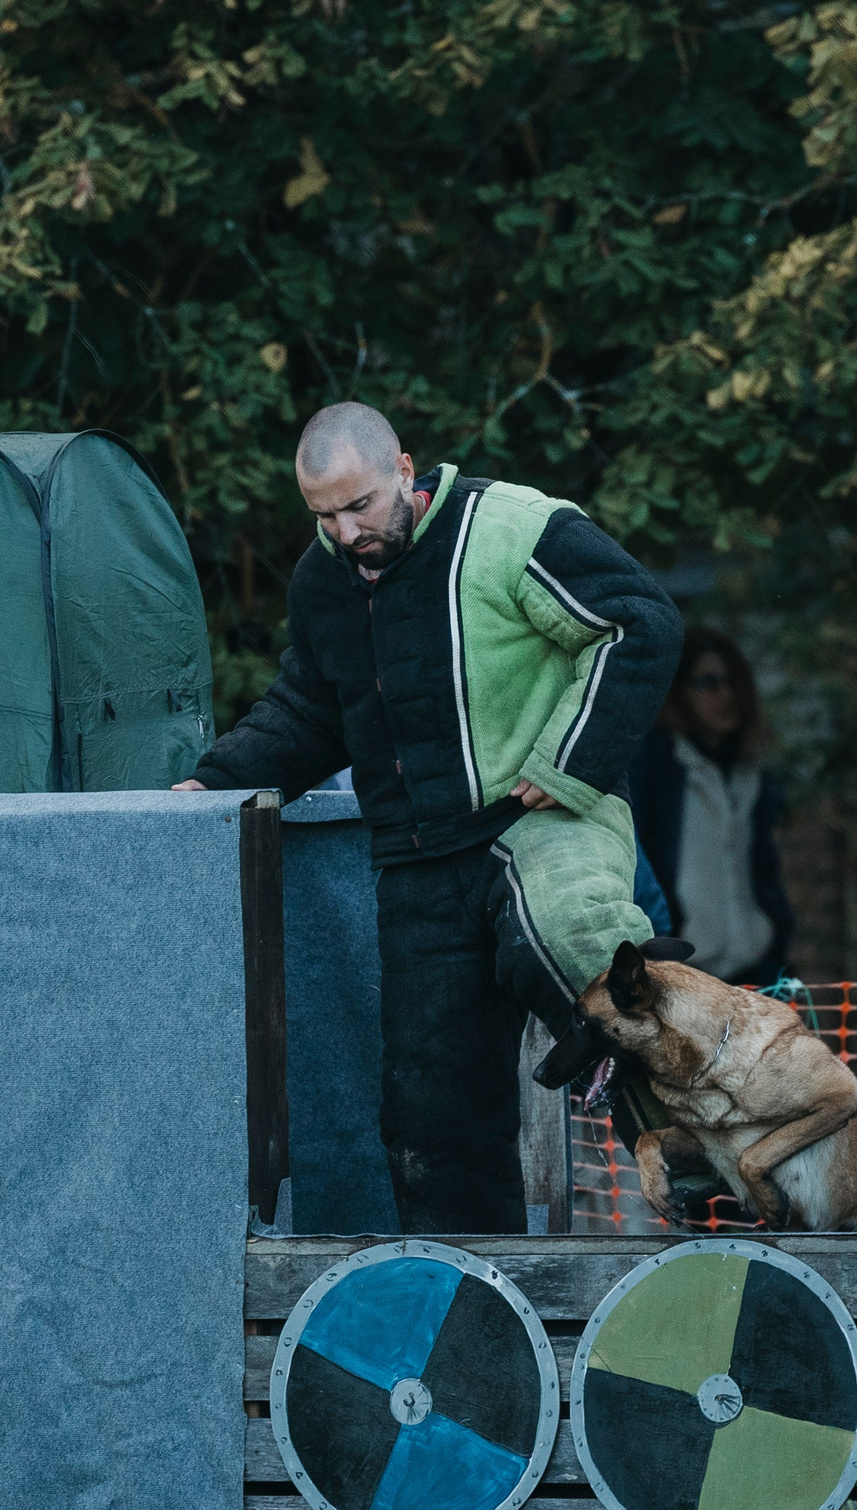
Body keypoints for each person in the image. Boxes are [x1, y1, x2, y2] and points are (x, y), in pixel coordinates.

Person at [178, 403, 681, 1233]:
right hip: (416, 867)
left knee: (585, 953)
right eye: (324, 516)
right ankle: (473, 1298)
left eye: (360, 505)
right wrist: (211, 784)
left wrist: (567, 758)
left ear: (405, 470)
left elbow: (639, 619)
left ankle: (728, 1162)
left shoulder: (512, 527)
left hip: (539, 816)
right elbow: (308, 711)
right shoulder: (321, 581)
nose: (346, 533)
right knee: (431, 1124)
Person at [626, 629, 794, 987]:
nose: (726, 695)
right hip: (682, 969)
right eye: (708, 682)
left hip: (752, 970)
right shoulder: (657, 766)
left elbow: (762, 871)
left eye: (733, 682)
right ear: (679, 692)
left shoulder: (750, 772)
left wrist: (776, 933)